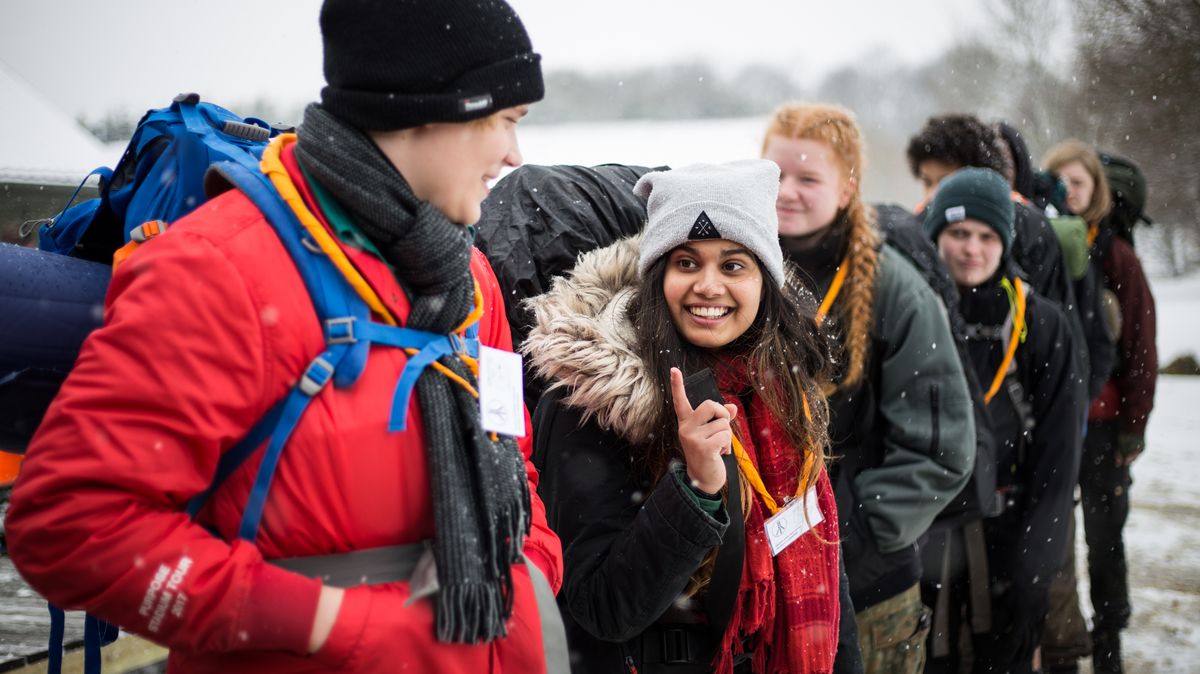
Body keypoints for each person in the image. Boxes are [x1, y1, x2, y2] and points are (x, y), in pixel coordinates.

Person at [5, 2, 565, 672]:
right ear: (427, 109)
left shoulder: (468, 282)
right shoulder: (219, 271)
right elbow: (70, 523)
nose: (514, 154)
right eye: (503, 120)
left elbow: (512, 457)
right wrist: (338, 626)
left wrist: (533, 573)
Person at [526, 159, 844, 673]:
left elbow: (825, 560)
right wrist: (695, 489)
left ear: (764, 280)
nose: (708, 286)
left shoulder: (782, 387)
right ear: (659, 277)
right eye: (687, 263)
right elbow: (601, 607)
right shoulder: (593, 402)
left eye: (733, 266)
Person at [762, 103, 975, 673]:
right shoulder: (737, 272)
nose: (787, 192)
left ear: (848, 188)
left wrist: (852, 537)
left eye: (808, 178)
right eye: (775, 174)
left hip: (867, 589)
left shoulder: (894, 289)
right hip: (764, 586)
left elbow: (942, 449)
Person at [920, 167, 1085, 673]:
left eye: (987, 236)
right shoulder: (913, 314)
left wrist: (1035, 571)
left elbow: (1058, 460)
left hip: (1012, 529)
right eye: (958, 232)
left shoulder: (1042, 324)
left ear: (1006, 242)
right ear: (935, 236)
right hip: (927, 533)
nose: (972, 248)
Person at [1043, 141, 1158, 674]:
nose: (1069, 192)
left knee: (1105, 537)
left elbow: (1140, 349)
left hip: (1105, 426)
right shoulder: (1039, 244)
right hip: (1052, 425)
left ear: (1097, 191)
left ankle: (1110, 640)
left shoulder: (1117, 257)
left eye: (1079, 183)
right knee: (1052, 539)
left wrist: (1133, 427)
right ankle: (1061, 641)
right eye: (1060, 182)